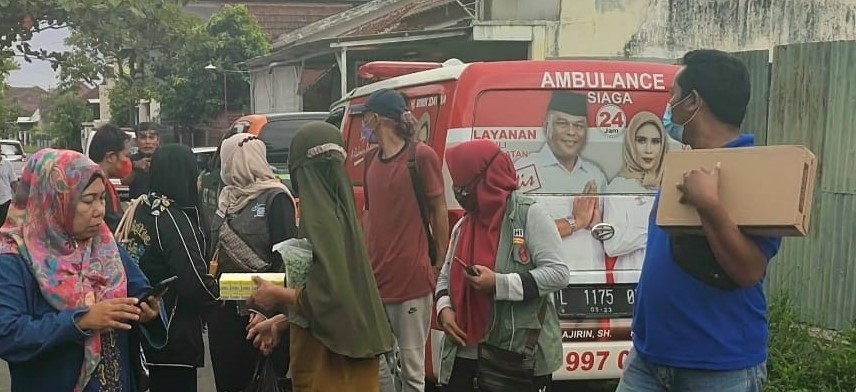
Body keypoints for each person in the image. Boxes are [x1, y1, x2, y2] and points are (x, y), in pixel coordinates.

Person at [616, 50, 781, 392]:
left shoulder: (760, 173)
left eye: (673, 96)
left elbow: (749, 270)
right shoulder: (682, 165)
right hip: (649, 359)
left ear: (693, 102)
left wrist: (709, 205)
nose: (669, 106)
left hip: (718, 367)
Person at [0, 149, 165, 391]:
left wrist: (149, 314)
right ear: (54, 200)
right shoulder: (14, 259)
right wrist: (81, 321)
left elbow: (140, 290)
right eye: (88, 201)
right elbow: (8, 334)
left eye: (102, 199)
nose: (99, 210)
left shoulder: (105, 245)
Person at [248, 121, 395, 392]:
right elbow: (344, 300)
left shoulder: (320, 222)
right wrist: (281, 322)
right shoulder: (345, 215)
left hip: (332, 365)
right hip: (353, 357)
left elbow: (330, 296)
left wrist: (275, 294)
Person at [435, 140, 569, 391]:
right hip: (463, 355)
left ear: (485, 179)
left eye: (463, 184)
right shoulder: (464, 225)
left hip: (514, 358)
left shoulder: (530, 215)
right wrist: (444, 309)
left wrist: (498, 283)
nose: (458, 191)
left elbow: (558, 274)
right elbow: (445, 274)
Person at [361, 88, 449, 392]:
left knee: (412, 370)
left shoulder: (421, 157)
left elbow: (439, 209)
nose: (364, 125)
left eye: (366, 118)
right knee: (379, 363)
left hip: (411, 279)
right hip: (376, 279)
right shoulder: (371, 159)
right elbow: (369, 216)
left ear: (378, 119)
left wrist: (438, 261)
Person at [122, 144, 220, 391]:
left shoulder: (142, 207)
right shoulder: (173, 218)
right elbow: (194, 284)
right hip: (173, 334)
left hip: (143, 327)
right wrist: (224, 295)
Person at [208, 133, 298, 391]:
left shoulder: (276, 198)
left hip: (260, 317)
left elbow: (285, 259)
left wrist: (269, 312)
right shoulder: (226, 198)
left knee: (260, 382)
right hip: (226, 312)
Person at [515, 90, 607, 281]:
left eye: (579, 125)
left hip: (591, 279)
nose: (571, 132)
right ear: (546, 125)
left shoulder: (595, 175)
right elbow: (521, 234)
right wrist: (576, 222)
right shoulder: (525, 171)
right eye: (562, 123)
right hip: (545, 282)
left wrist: (595, 221)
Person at [602, 111, 668, 280]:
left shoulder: (670, 183)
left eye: (655, 142)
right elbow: (612, 244)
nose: (648, 149)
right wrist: (655, 231)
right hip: (630, 281)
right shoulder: (619, 186)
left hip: (666, 279)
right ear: (631, 143)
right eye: (641, 141)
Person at [88, 124, 134, 232]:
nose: (128, 161)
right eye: (126, 156)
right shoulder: (96, 187)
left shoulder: (103, 182)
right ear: (110, 157)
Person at [122, 122, 160, 199]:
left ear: (158, 141)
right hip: (138, 205)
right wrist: (135, 166)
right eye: (143, 138)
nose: (147, 142)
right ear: (136, 141)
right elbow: (124, 182)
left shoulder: (165, 158)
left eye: (151, 138)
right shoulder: (130, 160)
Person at [0, 153, 17, 223]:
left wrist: (18, 199)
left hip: (5, 200)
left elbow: (13, 182)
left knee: (3, 224)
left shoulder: (7, 164)